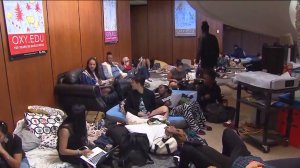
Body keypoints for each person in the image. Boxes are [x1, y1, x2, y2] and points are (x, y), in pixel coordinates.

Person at [179, 128, 299, 168]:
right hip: (250, 159)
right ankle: (224, 161)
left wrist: (186, 140)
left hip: (238, 164)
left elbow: (189, 148)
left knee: (189, 148)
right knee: (228, 132)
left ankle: (224, 163)